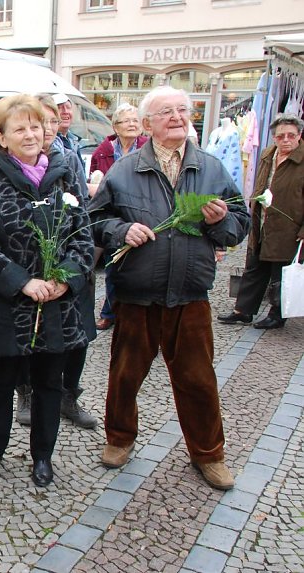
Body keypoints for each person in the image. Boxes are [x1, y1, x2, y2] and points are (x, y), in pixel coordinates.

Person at [88, 86, 249, 490]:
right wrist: (122, 229)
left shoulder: (210, 168)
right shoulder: (124, 170)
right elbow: (93, 222)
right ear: (147, 125)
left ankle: (209, 454)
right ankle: (120, 438)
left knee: (198, 379)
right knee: (125, 376)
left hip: (190, 295)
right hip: (136, 296)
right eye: (166, 112)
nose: (178, 117)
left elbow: (240, 225)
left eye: (183, 110)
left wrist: (219, 222)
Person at [0, 94, 93, 487]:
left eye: (36, 126)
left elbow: (82, 236)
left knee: (49, 382)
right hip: (8, 302)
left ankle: (42, 455)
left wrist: (63, 278)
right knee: (0, 381)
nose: (31, 134)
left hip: (54, 302)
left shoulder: (65, 174)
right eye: (19, 128)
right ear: (1, 137)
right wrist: (23, 282)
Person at [9, 94, 98, 430]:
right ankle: (27, 392)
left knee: (76, 341)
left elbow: (82, 219)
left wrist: (72, 270)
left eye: (47, 121)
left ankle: (68, 396)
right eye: (36, 121)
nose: (43, 128)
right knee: (30, 341)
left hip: (69, 274)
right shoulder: (16, 164)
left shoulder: (68, 159)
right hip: (31, 278)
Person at [218, 113, 304, 330]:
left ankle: (277, 314)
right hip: (263, 220)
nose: (286, 140)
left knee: (280, 270)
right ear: (274, 137)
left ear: (299, 135)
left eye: (290, 136)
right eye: (281, 136)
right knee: (254, 266)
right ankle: (243, 310)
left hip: (289, 224)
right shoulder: (268, 154)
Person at [89, 103, 149, 332]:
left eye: (136, 120)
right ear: (115, 126)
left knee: (138, 266)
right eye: (127, 120)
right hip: (113, 215)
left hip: (139, 212)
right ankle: (109, 312)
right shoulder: (103, 151)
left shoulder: (147, 147)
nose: (133, 124)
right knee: (113, 264)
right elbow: (95, 179)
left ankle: (131, 314)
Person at [53, 93, 87, 180]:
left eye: (68, 107)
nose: (65, 111)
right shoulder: (50, 142)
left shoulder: (74, 141)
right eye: (59, 108)